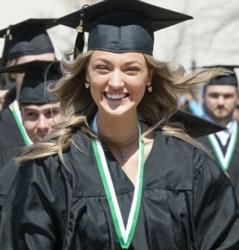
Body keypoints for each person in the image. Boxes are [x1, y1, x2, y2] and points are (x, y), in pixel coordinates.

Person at [1, 1, 239, 249]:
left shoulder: (190, 165)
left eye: (131, 69)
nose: (116, 82)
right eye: (102, 67)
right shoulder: (52, 167)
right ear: (86, 75)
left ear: (149, 77)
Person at [0, 60, 63, 222]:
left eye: (51, 113)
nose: (42, 125)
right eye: (31, 115)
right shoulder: (9, 176)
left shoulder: (88, 165)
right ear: (20, 116)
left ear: (68, 111)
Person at [0, 18, 58, 167]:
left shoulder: (71, 123)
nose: (40, 72)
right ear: (11, 71)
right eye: (28, 66)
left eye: (47, 66)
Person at [200, 65, 239, 201]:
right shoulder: (189, 138)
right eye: (214, 95)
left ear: (238, 98)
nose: (221, 102)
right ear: (203, 97)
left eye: (228, 96)